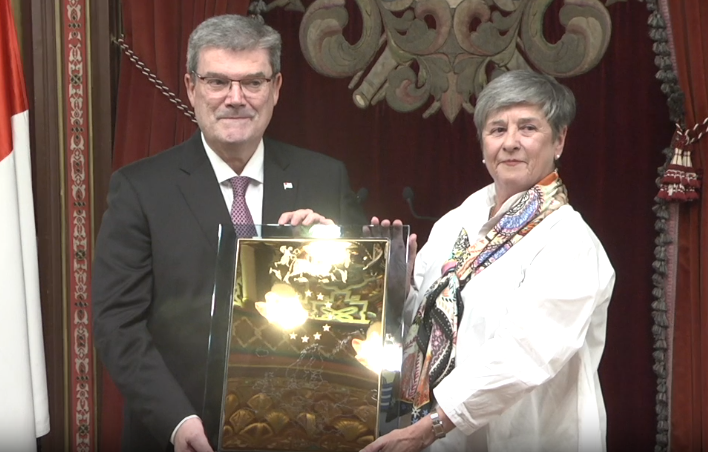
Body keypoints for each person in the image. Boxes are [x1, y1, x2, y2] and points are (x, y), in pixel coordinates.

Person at [92, 14, 366, 452]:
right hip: (181, 433)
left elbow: (357, 312)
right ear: (191, 87)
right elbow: (117, 323)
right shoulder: (141, 188)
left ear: (276, 88)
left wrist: (342, 256)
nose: (235, 98)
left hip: (305, 429)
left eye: (252, 83)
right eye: (217, 81)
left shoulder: (324, 179)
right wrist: (176, 420)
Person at [363, 70, 615, 452]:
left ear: (560, 139)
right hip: (436, 437)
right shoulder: (456, 223)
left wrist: (429, 427)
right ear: (482, 144)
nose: (511, 143)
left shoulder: (569, 239)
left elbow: (523, 354)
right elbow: (426, 327)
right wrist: (396, 291)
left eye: (528, 128)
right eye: (497, 130)